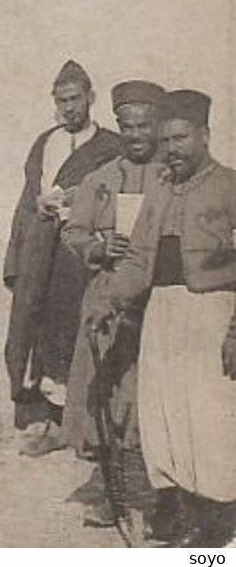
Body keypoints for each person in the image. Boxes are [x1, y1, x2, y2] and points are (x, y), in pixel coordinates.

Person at [102, 89, 236, 546]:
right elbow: (139, 253)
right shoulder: (159, 186)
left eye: (180, 138)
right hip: (163, 313)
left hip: (213, 315)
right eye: (166, 140)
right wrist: (111, 301)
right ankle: (179, 511)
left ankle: (216, 522)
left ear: (205, 136)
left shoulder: (230, 185)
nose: (172, 148)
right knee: (165, 416)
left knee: (210, 418)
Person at [60, 80, 166, 527]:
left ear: (158, 127)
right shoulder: (99, 179)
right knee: (105, 395)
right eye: (128, 126)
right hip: (107, 297)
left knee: (151, 396)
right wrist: (100, 247)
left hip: (159, 301)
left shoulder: (173, 177)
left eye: (145, 126)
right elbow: (73, 231)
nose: (136, 135)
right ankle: (111, 491)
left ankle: (163, 496)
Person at [5, 59, 124, 454]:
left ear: (90, 98)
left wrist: (81, 200)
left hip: (83, 253)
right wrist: (37, 213)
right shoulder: (46, 142)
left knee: (82, 326)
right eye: (61, 101)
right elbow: (27, 198)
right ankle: (48, 422)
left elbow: (117, 195)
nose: (69, 108)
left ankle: (87, 425)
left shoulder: (110, 146)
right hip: (44, 252)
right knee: (44, 328)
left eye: (75, 99)